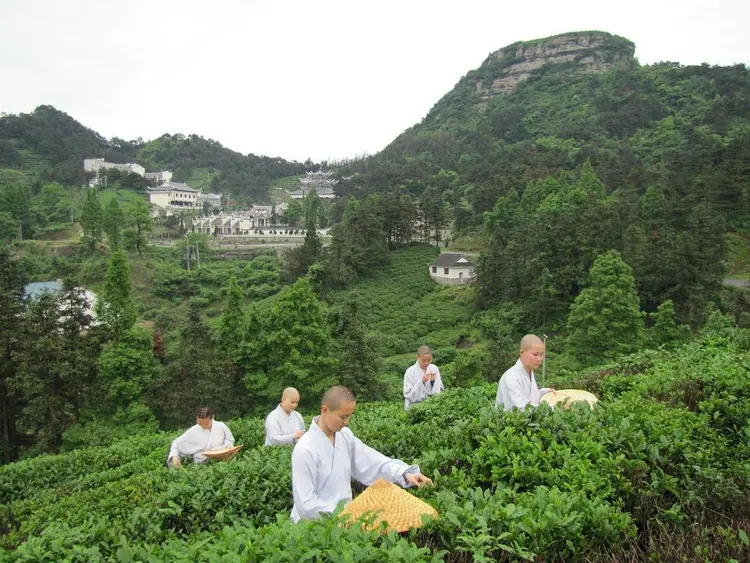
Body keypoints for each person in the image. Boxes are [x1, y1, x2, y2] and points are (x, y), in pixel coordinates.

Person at [290, 385, 432, 522]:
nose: (347, 422)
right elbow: (306, 503)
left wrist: (404, 473)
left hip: (346, 520)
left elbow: (373, 462)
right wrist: (344, 513)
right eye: (343, 417)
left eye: (350, 416)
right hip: (313, 527)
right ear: (325, 410)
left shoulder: (344, 436)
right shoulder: (305, 449)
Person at [496, 334, 555, 411]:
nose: (539, 359)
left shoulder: (529, 371)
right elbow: (521, 407)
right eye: (535, 354)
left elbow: (530, 395)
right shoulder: (511, 377)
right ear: (522, 352)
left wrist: (545, 393)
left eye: (541, 355)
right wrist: (552, 408)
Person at [166, 406, 235, 467]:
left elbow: (230, 440)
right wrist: (174, 457)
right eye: (200, 424)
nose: (203, 426)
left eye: (206, 424)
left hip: (223, 460)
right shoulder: (194, 430)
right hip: (201, 465)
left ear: (212, 417)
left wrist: (224, 448)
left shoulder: (221, 426)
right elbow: (176, 444)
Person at [403, 345, 444, 410]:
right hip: (414, 408)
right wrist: (421, 382)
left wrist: (433, 382)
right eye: (423, 360)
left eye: (429, 360)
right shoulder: (409, 372)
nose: (426, 363)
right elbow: (408, 394)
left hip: (433, 406)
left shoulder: (434, 368)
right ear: (417, 357)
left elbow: (440, 388)